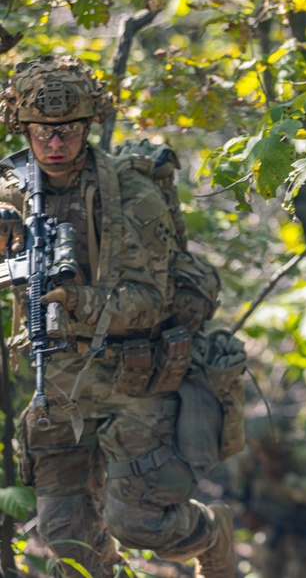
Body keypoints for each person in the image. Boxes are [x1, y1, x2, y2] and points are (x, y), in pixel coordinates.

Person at [0, 55, 236, 577]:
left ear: (88, 128)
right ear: (24, 129)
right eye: (42, 132)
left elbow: (148, 301)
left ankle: (212, 534)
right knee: (69, 541)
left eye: (68, 131)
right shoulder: (10, 195)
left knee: (138, 524)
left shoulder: (131, 195)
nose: (55, 145)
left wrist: (73, 302)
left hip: (134, 380)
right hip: (56, 384)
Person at [230, 414, 306, 578]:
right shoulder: (249, 459)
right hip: (269, 531)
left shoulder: (301, 451)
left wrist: (283, 477)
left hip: (304, 531)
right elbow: (238, 493)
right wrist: (245, 513)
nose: (263, 455)